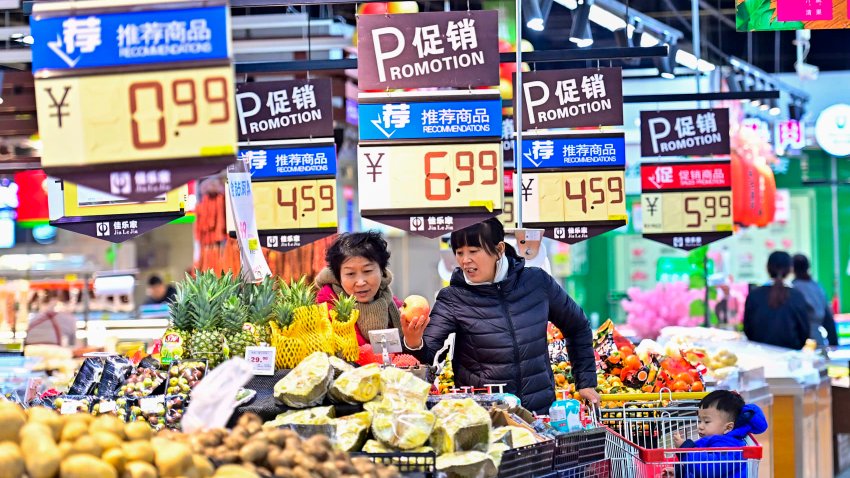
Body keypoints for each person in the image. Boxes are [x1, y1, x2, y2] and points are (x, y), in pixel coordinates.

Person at [403, 218, 598, 414]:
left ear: (499, 249)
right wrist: (414, 343)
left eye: (473, 251)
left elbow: (577, 326)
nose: (465, 260)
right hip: (486, 418)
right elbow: (427, 353)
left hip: (540, 413)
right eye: (459, 252)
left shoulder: (537, 282)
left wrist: (586, 382)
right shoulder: (453, 298)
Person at [315, 231, 407, 346]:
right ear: (338, 277)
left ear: (382, 271)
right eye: (350, 274)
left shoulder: (390, 300)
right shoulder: (328, 303)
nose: (360, 282)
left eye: (367, 271)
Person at [672, 390, 768, 478]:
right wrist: (679, 473)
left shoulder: (732, 448)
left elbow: (707, 469)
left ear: (728, 427)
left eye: (706, 422)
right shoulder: (717, 440)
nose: (700, 426)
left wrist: (684, 448)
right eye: (699, 421)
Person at [743, 251, 810, 350]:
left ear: (767, 268)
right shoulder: (796, 296)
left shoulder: (754, 295)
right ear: (790, 269)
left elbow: (748, 330)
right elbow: (804, 331)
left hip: (760, 355)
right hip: (790, 357)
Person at [792, 254, 839, 347]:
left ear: (792, 268)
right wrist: (834, 344)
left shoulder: (793, 288)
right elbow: (828, 319)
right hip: (817, 340)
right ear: (808, 266)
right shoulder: (817, 287)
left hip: (800, 340)